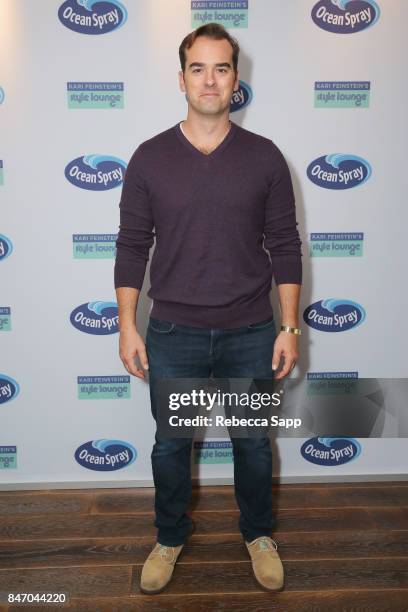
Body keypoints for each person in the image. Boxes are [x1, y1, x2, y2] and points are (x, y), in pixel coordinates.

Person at [114, 23, 302, 595]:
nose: (210, 79)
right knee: (171, 446)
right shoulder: (148, 158)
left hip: (251, 328)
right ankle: (170, 536)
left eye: (221, 68)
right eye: (198, 68)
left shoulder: (265, 157)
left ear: (235, 80)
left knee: (251, 442)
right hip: (174, 331)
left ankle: (258, 534)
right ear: (181, 79)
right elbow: (131, 246)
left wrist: (289, 325)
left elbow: (286, 245)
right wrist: (127, 325)